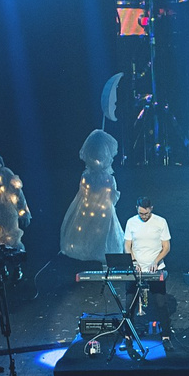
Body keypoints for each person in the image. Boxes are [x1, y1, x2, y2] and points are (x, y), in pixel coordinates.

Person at [60, 128, 123, 261]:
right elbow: (113, 196)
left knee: (90, 231)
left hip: (90, 209)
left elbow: (84, 193)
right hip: (103, 210)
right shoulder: (107, 178)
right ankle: (97, 254)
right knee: (99, 232)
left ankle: (93, 253)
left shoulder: (87, 177)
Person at [124, 197, 173, 326]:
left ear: (151, 209)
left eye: (146, 213)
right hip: (136, 269)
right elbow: (127, 245)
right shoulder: (131, 222)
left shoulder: (161, 222)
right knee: (129, 304)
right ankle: (128, 336)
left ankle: (166, 335)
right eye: (141, 213)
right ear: (137, 209)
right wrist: (134, 262)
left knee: (161, 303)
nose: (143, 216)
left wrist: (156, 261)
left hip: (155, 268)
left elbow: (166, 247)